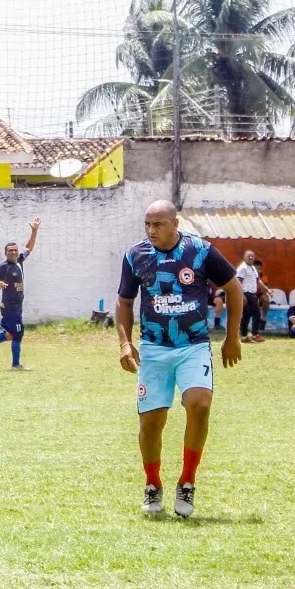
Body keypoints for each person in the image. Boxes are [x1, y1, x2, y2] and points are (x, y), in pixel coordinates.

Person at [116, 200, 242, 518]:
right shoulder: (135, 256)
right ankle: (152, 483)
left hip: (193, 346)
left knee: (199, 405)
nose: (151, 230)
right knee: (152, 423)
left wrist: (232, 337)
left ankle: (187, 482)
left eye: (158, 224)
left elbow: (234, 289)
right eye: (147, 224)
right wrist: (124, 344)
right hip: (155, 350)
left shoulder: (200, 251)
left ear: (175, 223)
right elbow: (124, 302)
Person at [0, 217, 41, 369]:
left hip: (17, 306)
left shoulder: (20, 260)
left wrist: (34, 231)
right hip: (9, 306)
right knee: (18, 333)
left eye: (15, 250)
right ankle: (16, 365)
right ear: (5, 253)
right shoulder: (3, 267)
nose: (13, 252)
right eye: (10, 250)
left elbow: (29, 248)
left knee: (10, 334)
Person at [235, 250, 264, 343]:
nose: (251, 258)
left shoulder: (252, 268)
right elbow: (238, 282)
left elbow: (258, 281)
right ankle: (255, 335)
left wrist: (267, 290)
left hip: (251, 293)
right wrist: (242, 295)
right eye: (248, 256)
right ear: (244, 257)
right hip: (247, 293)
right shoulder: (243, 268)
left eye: (252, 256)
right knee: (257, 313)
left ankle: (244, 337)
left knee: (246, 315)